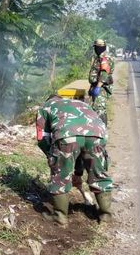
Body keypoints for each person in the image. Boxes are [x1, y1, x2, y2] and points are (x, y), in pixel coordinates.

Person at [36, 94, 113, 225]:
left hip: (67, 136)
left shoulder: (46, 106)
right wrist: (78, 173)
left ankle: (60, 216)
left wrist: (52, 157)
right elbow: (83, 142)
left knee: (61, 176)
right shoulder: (81, 103)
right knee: (99, 174)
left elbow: (42, 138)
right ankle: (105, 215)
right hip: (98, 135)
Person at [88, 39, 114, 125]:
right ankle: (100, 129)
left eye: (96, 47)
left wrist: (98, 87)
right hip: (97, 85)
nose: (95, 49)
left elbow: (104, 73)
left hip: (102, 87)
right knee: (97, 108)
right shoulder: (99, 56)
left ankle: (103, 131)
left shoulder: (104, 57)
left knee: (99, 109)